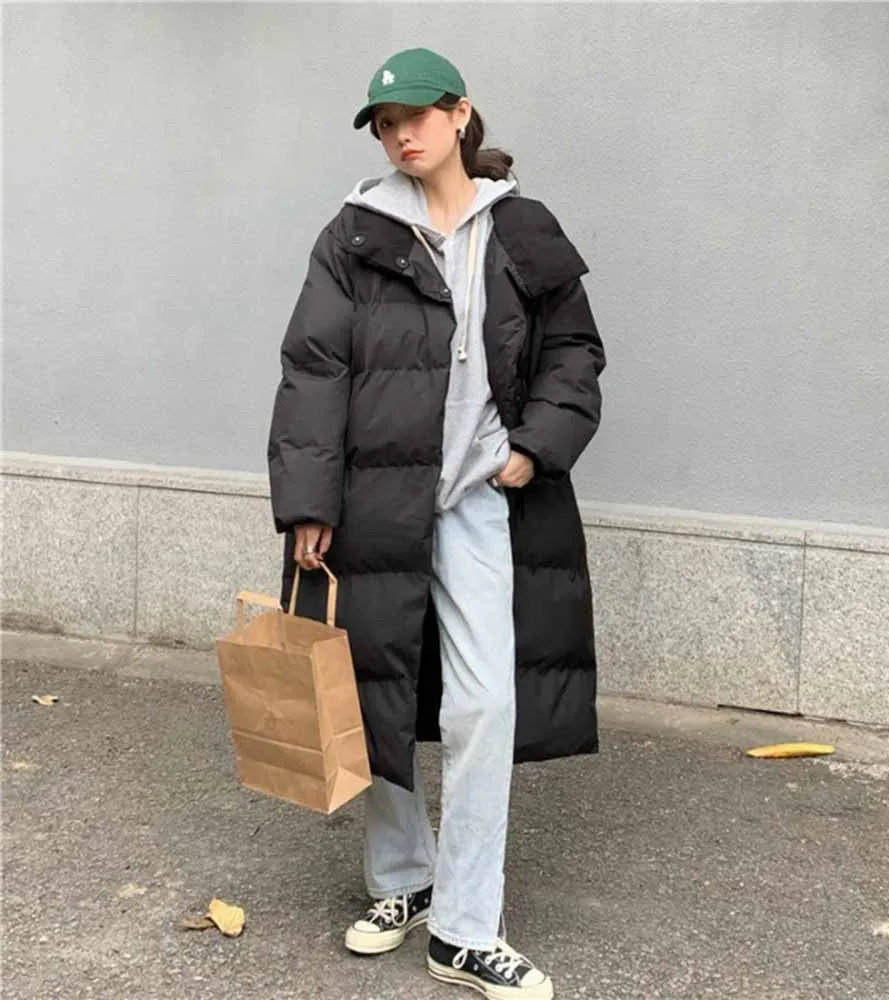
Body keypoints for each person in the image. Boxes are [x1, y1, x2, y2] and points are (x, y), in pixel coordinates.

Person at [267, 47, 605, 1000]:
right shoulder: (355, 233)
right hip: (372, 499)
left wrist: (534, 447)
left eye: (416, 115)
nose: (401, 135)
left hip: (481, 499)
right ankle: (404, 881)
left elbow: (574, 351)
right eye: (385, 124)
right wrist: (309, 501)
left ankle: (465, 928)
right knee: (374, 688)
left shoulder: (522, 228)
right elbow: (315, 368)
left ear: (461, 114)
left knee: (483, 705)